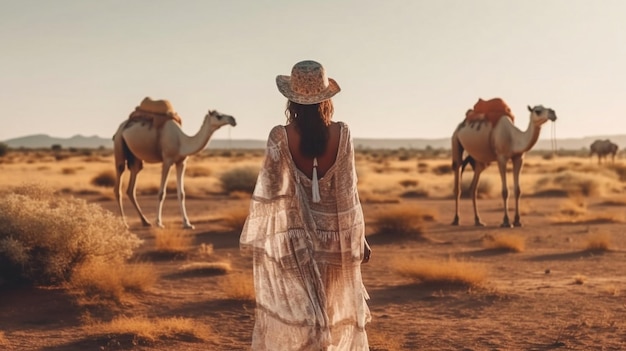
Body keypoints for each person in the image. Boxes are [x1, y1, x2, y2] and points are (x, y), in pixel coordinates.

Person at [240, 60, 371, 350]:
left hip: (295, 241)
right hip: (336, 239)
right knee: (332, 312)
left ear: (291, 99)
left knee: (303, 319)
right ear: (326, 98)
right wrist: (359, 239)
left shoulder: (280, 135)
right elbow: (348, 193)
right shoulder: (343, 133)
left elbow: (272, 193)